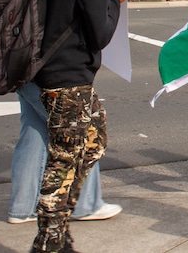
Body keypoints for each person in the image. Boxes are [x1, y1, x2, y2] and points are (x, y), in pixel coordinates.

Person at [30, 0, 130, 253]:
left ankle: (55, 233)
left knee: (93, 142)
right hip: (67, 77)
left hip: (54, 72)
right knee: (62, 163)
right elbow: (100, 33)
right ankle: (49, 242)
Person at [8, 81, 121, 224]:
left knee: (34, 135)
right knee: (82, 136)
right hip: (54, 78)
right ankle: (85, 204)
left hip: (27, 74)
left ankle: (23, 207)